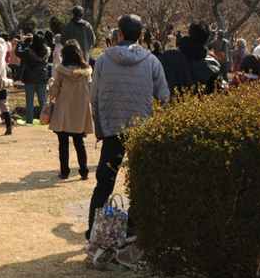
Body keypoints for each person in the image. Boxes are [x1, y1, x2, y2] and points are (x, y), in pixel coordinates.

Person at [88, 13, 169, 240]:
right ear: (140, 35)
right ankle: (133, 229)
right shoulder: (151, 61)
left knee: (104, 181)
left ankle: (93, 229)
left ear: (119, 34)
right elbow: (164, 96)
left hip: (112, 126)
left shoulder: (104, 60)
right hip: (141, 127)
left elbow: (93, 96)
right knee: (139, 181)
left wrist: (100, 126)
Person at [48, 40, 93, 180]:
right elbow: (90, 89)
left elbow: (54, 91)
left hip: (63, 110)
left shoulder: (61, 70)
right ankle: (84, 170)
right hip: (80, 110)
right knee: (79, 143)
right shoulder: (86, 71)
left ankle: (64, 171)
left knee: (63, 144)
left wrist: (51, 86)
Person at [18, 32, 51, 123]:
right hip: (42, 77)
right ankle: (45, 119)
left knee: (29, 101)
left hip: (29, 78)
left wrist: (21, 43)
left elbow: (18, 52)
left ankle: (29, 120)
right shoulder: (47, 50)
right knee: (43, 101)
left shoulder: (28, 51)